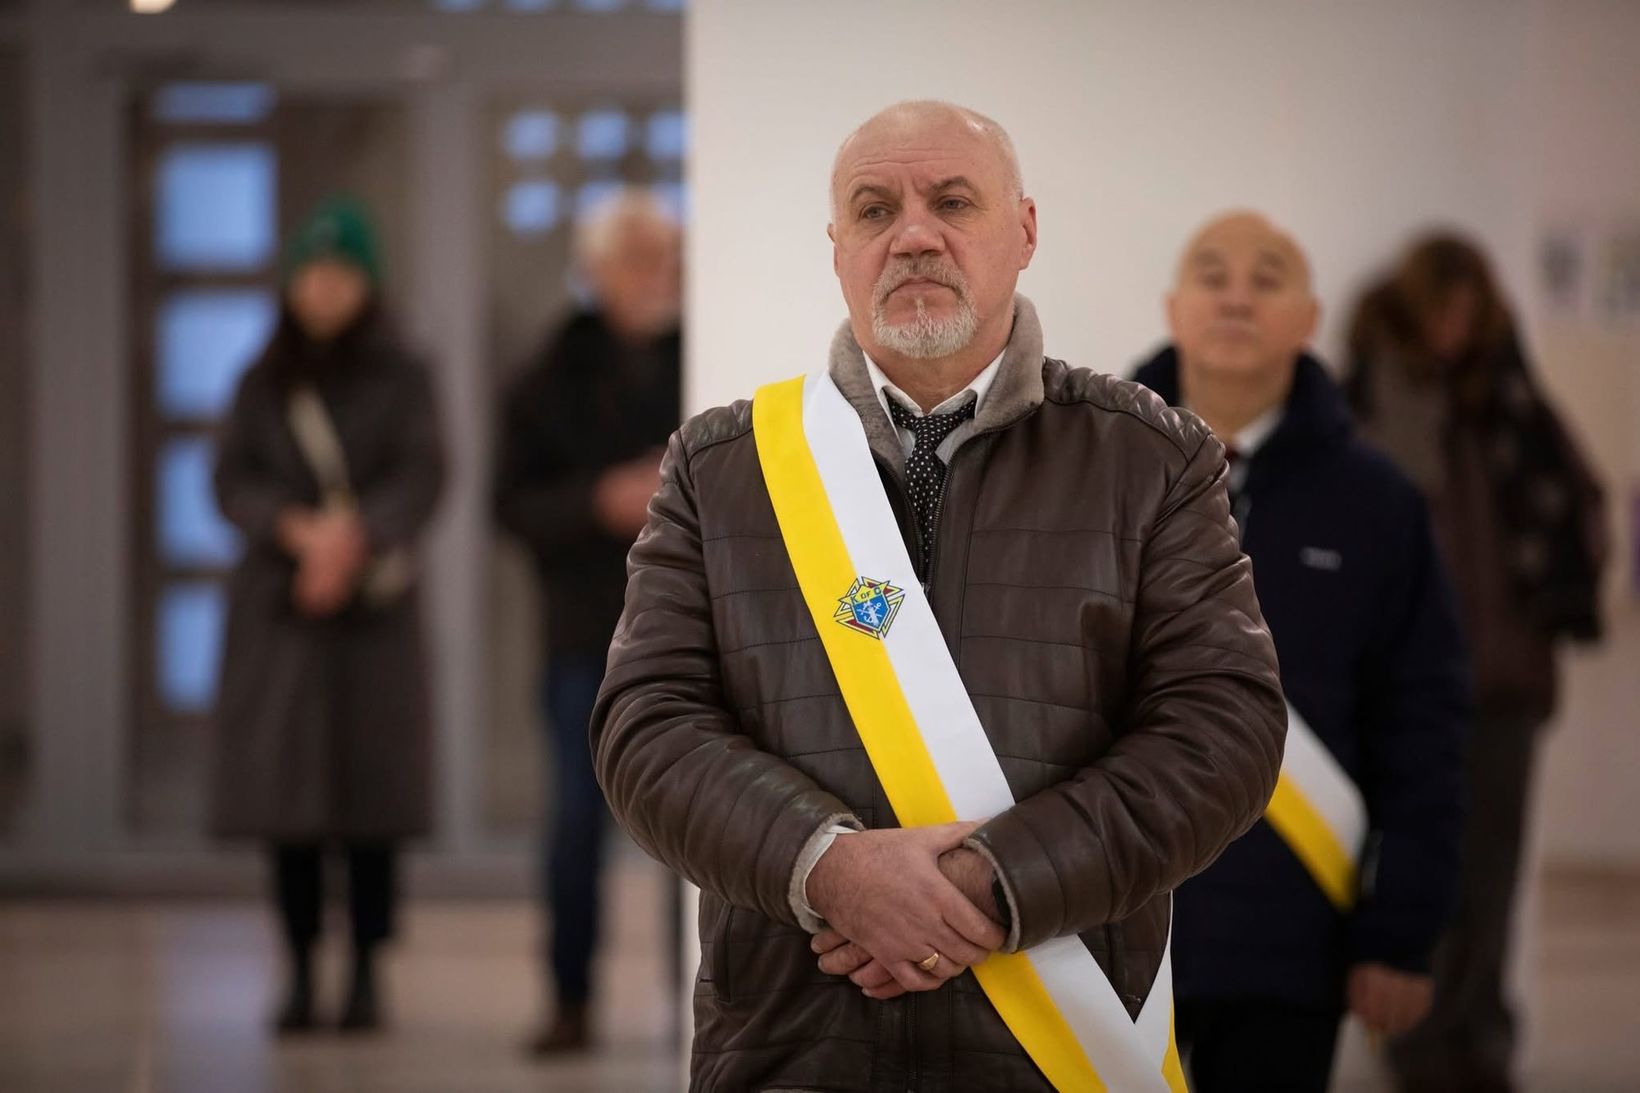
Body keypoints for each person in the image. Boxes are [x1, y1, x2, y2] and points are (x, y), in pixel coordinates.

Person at [591, 101, 1287, 1092]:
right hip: (793, 1047)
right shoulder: (719, 468)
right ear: (838, 248)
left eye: (952, 202)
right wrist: (828, 869)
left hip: (1057, 1050)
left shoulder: (1150, 459)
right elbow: (645, 728)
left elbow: (1223, 731)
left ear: (1024, 231)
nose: (913, 234)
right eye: (875, 210)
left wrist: (987, 885)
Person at [1133, 211, 1470, 1091]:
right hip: (1110, 925)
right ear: (1174, 307)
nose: (1237, 296)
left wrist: (1400, 934)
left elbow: (1424, 726)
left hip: (1290, 946)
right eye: (1213, 275)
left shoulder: (1379, 502)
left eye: (1267, 277)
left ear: (1310, 318)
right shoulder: (1093, 473)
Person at [1345, 233, 1607, 1092]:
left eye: (1467, 311)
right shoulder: (1369, 403)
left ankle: (1481, 1042)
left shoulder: (1512, 405)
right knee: (1419, 872)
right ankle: (1418, 1045)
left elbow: (1580, 499)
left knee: (1492, 875)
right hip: (1406, 686)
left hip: (1506, 680)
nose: (1454, 328)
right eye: (1442, 309)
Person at [210, 196, 446, 1034]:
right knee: (291, 806)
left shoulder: (404, 374)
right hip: (282, 616)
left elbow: (424, 473)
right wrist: (296, 532)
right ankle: (300, 966)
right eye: (310, 272)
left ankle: (368, 971)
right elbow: (231, 478)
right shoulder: (262, 378)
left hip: (371, 615)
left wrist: (351, 541)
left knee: (370, 803)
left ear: (367, 282)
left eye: (340, 272)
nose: (323, 288)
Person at [493, 188, 682, 1055]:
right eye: (638, 258)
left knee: (704, 824)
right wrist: (599, 500)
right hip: (582, 636)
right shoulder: (546, 377)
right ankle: (569, 999)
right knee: (576, 826)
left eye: (666, 256)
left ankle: (698, 998)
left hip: (687, 633)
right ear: (595, 271)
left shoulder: (704, 354)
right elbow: (511, 504)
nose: (658, 274)